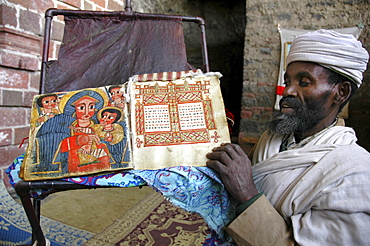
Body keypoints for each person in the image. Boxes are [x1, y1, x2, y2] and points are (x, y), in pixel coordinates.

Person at [206, 29, 370, 245]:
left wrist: (247, 194)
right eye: (288, 80)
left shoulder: (354, 172)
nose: (288, 91)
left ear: (341, 92)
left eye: (304, 82)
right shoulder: (272, 138)